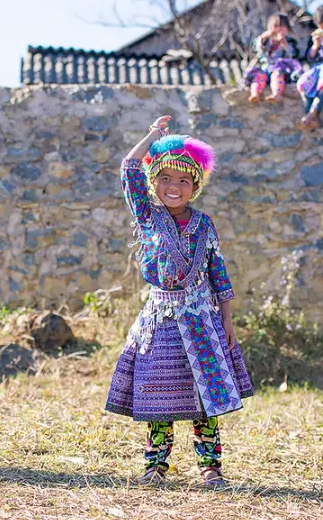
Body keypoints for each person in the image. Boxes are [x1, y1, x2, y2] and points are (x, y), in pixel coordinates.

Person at [105, 116, 253, 487]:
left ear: (195, 186)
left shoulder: (204, 224)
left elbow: (218, 273)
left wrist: (228, 321)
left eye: (184, 180)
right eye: (166, 179)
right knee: (159, 397)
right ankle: (156, 464)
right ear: (154, 183)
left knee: (205, 399)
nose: (175, 187)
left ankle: (211, 467)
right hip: (161, 319)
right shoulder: (147, 214)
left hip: (202, 319)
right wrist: (153, 135)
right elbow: (128, 167)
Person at [244, 13, 302, 103]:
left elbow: (293, 55)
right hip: (265, 68)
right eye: (275, 26)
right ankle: (255, 94)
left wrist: (284, 44)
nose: (278, 29)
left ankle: (276, 94)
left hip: (281, 69)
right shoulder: (266, 40)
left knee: (277, 75)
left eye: (282, 26)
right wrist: (263, 37)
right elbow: (256, 49)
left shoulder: (291, 41)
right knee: (259, 76)